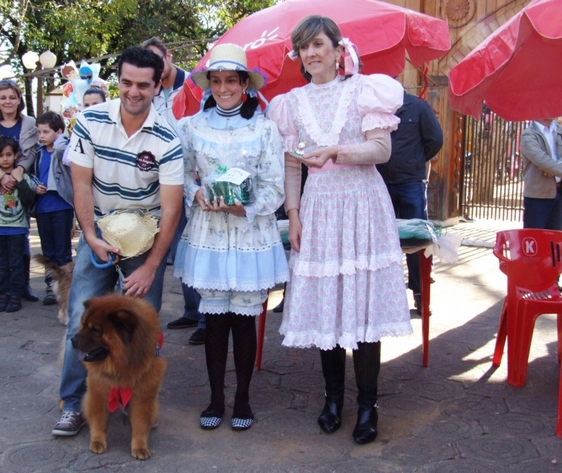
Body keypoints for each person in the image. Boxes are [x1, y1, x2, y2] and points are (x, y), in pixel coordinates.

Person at [268, 15, 412, 444]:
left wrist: (336, 151)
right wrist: (293, 213)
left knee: (363, 311)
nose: (311, 53)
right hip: (319, 211)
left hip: (363, 206)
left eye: (318, 44)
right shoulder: (291, 103)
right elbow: (292, 163)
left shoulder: (365, 89)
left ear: (337, 49)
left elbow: (381, 150)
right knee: (327, 309)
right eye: (303, 47)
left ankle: (368, 406)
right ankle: (333, 400)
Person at [52, 46, 183, 437]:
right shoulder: (89, 121)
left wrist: (151, 267)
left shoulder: (169, 137)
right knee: (81, 320)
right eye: (126, 82)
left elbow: (171, 209)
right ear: (118, 82)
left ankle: (135, 406)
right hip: (99, 233)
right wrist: (90, 237)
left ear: (157, 86)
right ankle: (72, 404)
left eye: (143, 85)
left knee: (142, 329)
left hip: (144, 240)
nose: (133, 91)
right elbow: (81, 185)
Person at [173, 43, 289, 431]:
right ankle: (215, 398)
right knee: (215, 320)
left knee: (243, 320)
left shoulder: (264, 128)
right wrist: (196, 193)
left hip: (249, 234)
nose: (224, 88)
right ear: (209, 84)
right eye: (217, 81)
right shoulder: (192, 126)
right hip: (208, 233)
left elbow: (275, 186)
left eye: (231, 81)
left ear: (245, 84)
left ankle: (243, 397)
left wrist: (247, 207)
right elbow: (181, 173)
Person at [142, 36, 206, 345]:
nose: (155, 66)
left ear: (168, 55)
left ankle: (207, 318)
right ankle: (192, 310)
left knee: (198, 245)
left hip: (194, 177)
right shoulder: (150, 92)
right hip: (165, 180)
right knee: (176, 244)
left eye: (157, 58)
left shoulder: (195, 85)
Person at [376, 89, 443, 314]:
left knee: (417, 240)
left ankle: (421, 294)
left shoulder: (418, 107)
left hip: (410, 183)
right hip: (379, 182)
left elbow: (435, 140)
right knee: (382, 242)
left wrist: (415, 160)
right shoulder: (373, 107)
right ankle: (385, 297)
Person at [0, 79, 39, 305]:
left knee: (20, 240)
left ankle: (21, 286)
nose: (8, 101)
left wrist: (17, 172)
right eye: (3, 97)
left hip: (19, 182)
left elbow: (31, 152)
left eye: (12, 97)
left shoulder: (29, 123)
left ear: (19, 99)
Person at [0, 137, 36, 312]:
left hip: (17, 228)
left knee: (16, 264)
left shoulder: (23, 176)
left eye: (9, 155)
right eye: (1, 155)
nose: (5, 159)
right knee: (0, 264)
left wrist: (20, 181)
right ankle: (2, 294)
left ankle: (16, 295)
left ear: (15, 155)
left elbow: (29, 199)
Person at [33, 111, 74, 305]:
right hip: (43, 207)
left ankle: (66, 287)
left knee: (63, 251)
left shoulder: (63, 149)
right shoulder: (38, 153)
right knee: (48, 251)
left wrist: (60, 138)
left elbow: (61, 151)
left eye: (46, 132)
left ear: (58, 132)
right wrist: (35, 187)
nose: (41, 136)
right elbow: (33, 173)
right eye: (39, 132)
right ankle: (51, 287)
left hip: (61, 206)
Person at [520, 118, 562, 229]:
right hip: (538, 196)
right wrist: (549, 166)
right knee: (536, 236)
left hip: (559, 192)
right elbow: (541, 160)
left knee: (555, 237)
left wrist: (553, 168)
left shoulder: (559, 130)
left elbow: (549, 164)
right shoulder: (528, 135)